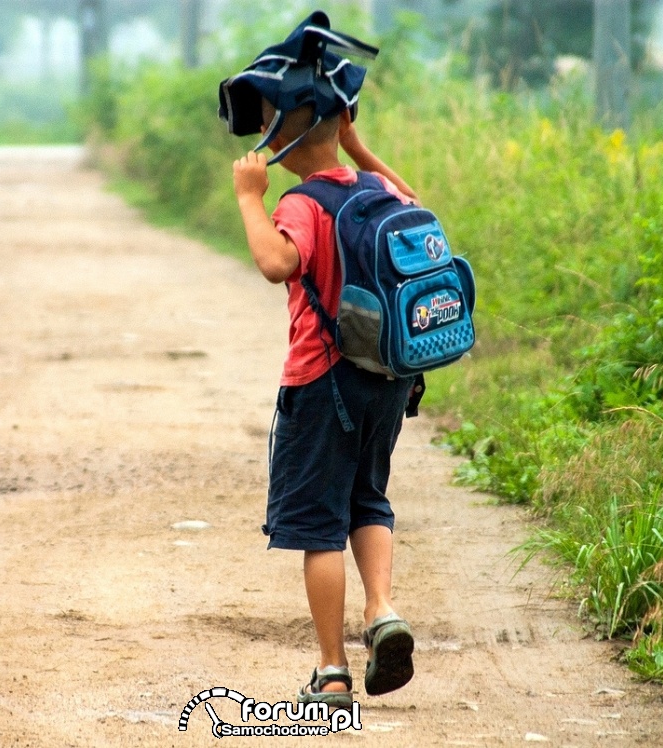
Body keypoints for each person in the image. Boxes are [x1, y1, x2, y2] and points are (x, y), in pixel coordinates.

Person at [221, 12, 421, 708]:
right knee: (369, 500)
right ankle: (383, 610)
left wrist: (251, 199)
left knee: (316, 528)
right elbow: (412, 200)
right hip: (385, 383)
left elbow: (277, 263)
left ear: (290, 130)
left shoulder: (304, 204)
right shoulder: (375, 191)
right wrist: (361, 150)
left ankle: (333, 671)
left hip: (320, 385)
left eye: (270, 119)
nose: (262, 133)